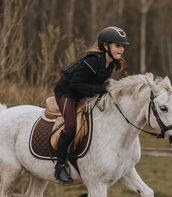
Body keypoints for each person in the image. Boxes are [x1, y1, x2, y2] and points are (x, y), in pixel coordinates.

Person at [53, 26, 129, 184]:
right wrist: (99, 89)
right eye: (117, 45)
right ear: (106, 46)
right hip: (66, 92)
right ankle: (59, 166)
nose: (121, 49)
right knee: (71, 125)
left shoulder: (112, 63)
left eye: (122, 46)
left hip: (82, 95)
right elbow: (75, 84)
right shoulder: (93, 61)